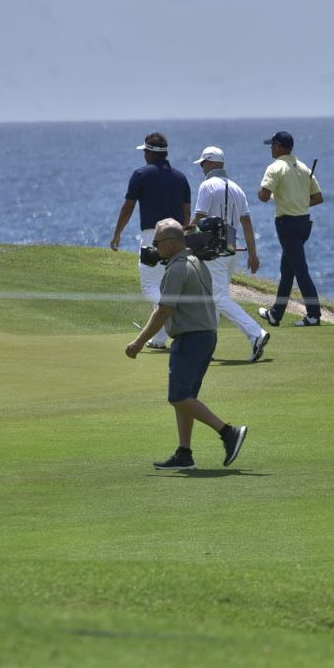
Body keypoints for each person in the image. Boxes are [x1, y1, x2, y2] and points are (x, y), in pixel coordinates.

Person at [126, 218, 249, 470]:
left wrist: (138, 342)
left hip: (191, 339)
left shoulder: (177, 268)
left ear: (171, 243)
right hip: (203, 337)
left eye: (158, 243)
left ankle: (228, 432)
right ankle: (184, 454)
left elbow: (163, 310)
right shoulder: (195, 260)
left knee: (179, 397)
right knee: (186, 398)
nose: (155, 247)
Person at [109, 132, 191, 349]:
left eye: (145, 151)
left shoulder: (140, 175)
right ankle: (160, 338)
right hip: (178, 238)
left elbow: (128, 207)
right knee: (164, 284)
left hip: (153, 237)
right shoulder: (181, 177)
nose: (144, 155)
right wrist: (184, 236)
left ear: (150, 153)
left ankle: (175, 311)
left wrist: (117, 234)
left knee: (149, 286)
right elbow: (186, 211)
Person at [192, 146, 270, 362]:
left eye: (202, 163)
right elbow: (246, 222)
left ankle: (256, 334)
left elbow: (199, 218)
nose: (201, 168)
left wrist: (182, 235)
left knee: (218, 298)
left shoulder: (207, 186)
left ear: (210, 163)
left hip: (212, 251)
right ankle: (207, 348)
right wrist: (253, 255)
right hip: (231, 251)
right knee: (214, 298)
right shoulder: (238, 188)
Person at [257, 131, 324, 327]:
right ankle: (275, 314)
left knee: (300, 270)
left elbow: (263, 195)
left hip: (287, 224)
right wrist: (298, 202)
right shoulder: (303, 167)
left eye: (272, 145)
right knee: (287, 270)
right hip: (304, 223)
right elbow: (318, 198)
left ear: (279, 146)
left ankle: (313, 315)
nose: (271, 148)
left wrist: (272, 197)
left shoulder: (275, 167)